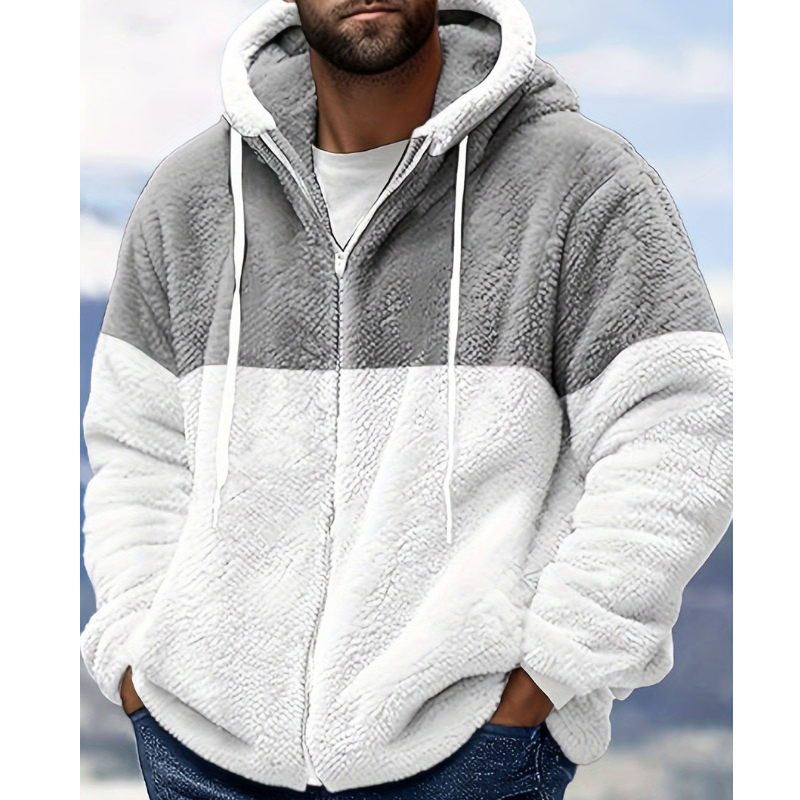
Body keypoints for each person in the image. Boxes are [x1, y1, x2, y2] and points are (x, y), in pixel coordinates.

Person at [80, 0, 734, 797]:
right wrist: (134, 660)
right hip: (199, 752)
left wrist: (548, 674)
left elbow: (680, 434)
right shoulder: (190, 198)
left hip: (467, 756)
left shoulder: (580, 182)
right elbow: (135, 451)